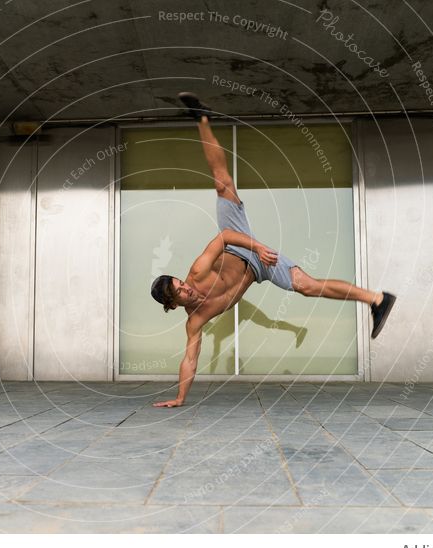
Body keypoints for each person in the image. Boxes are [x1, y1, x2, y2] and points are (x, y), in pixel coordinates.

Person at [150, 92, 396, 408]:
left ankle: (201, 118)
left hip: (240, 245)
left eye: (181, 284)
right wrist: (180, 397)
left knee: (223, 184)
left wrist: (260, 247)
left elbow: (224, 235)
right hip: (258, 271)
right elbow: (190, 357)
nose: (186, 289)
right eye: (180, 293)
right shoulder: (195, 320)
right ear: (173, 304)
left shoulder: (198, 271)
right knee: (307, 288)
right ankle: (381, 299)